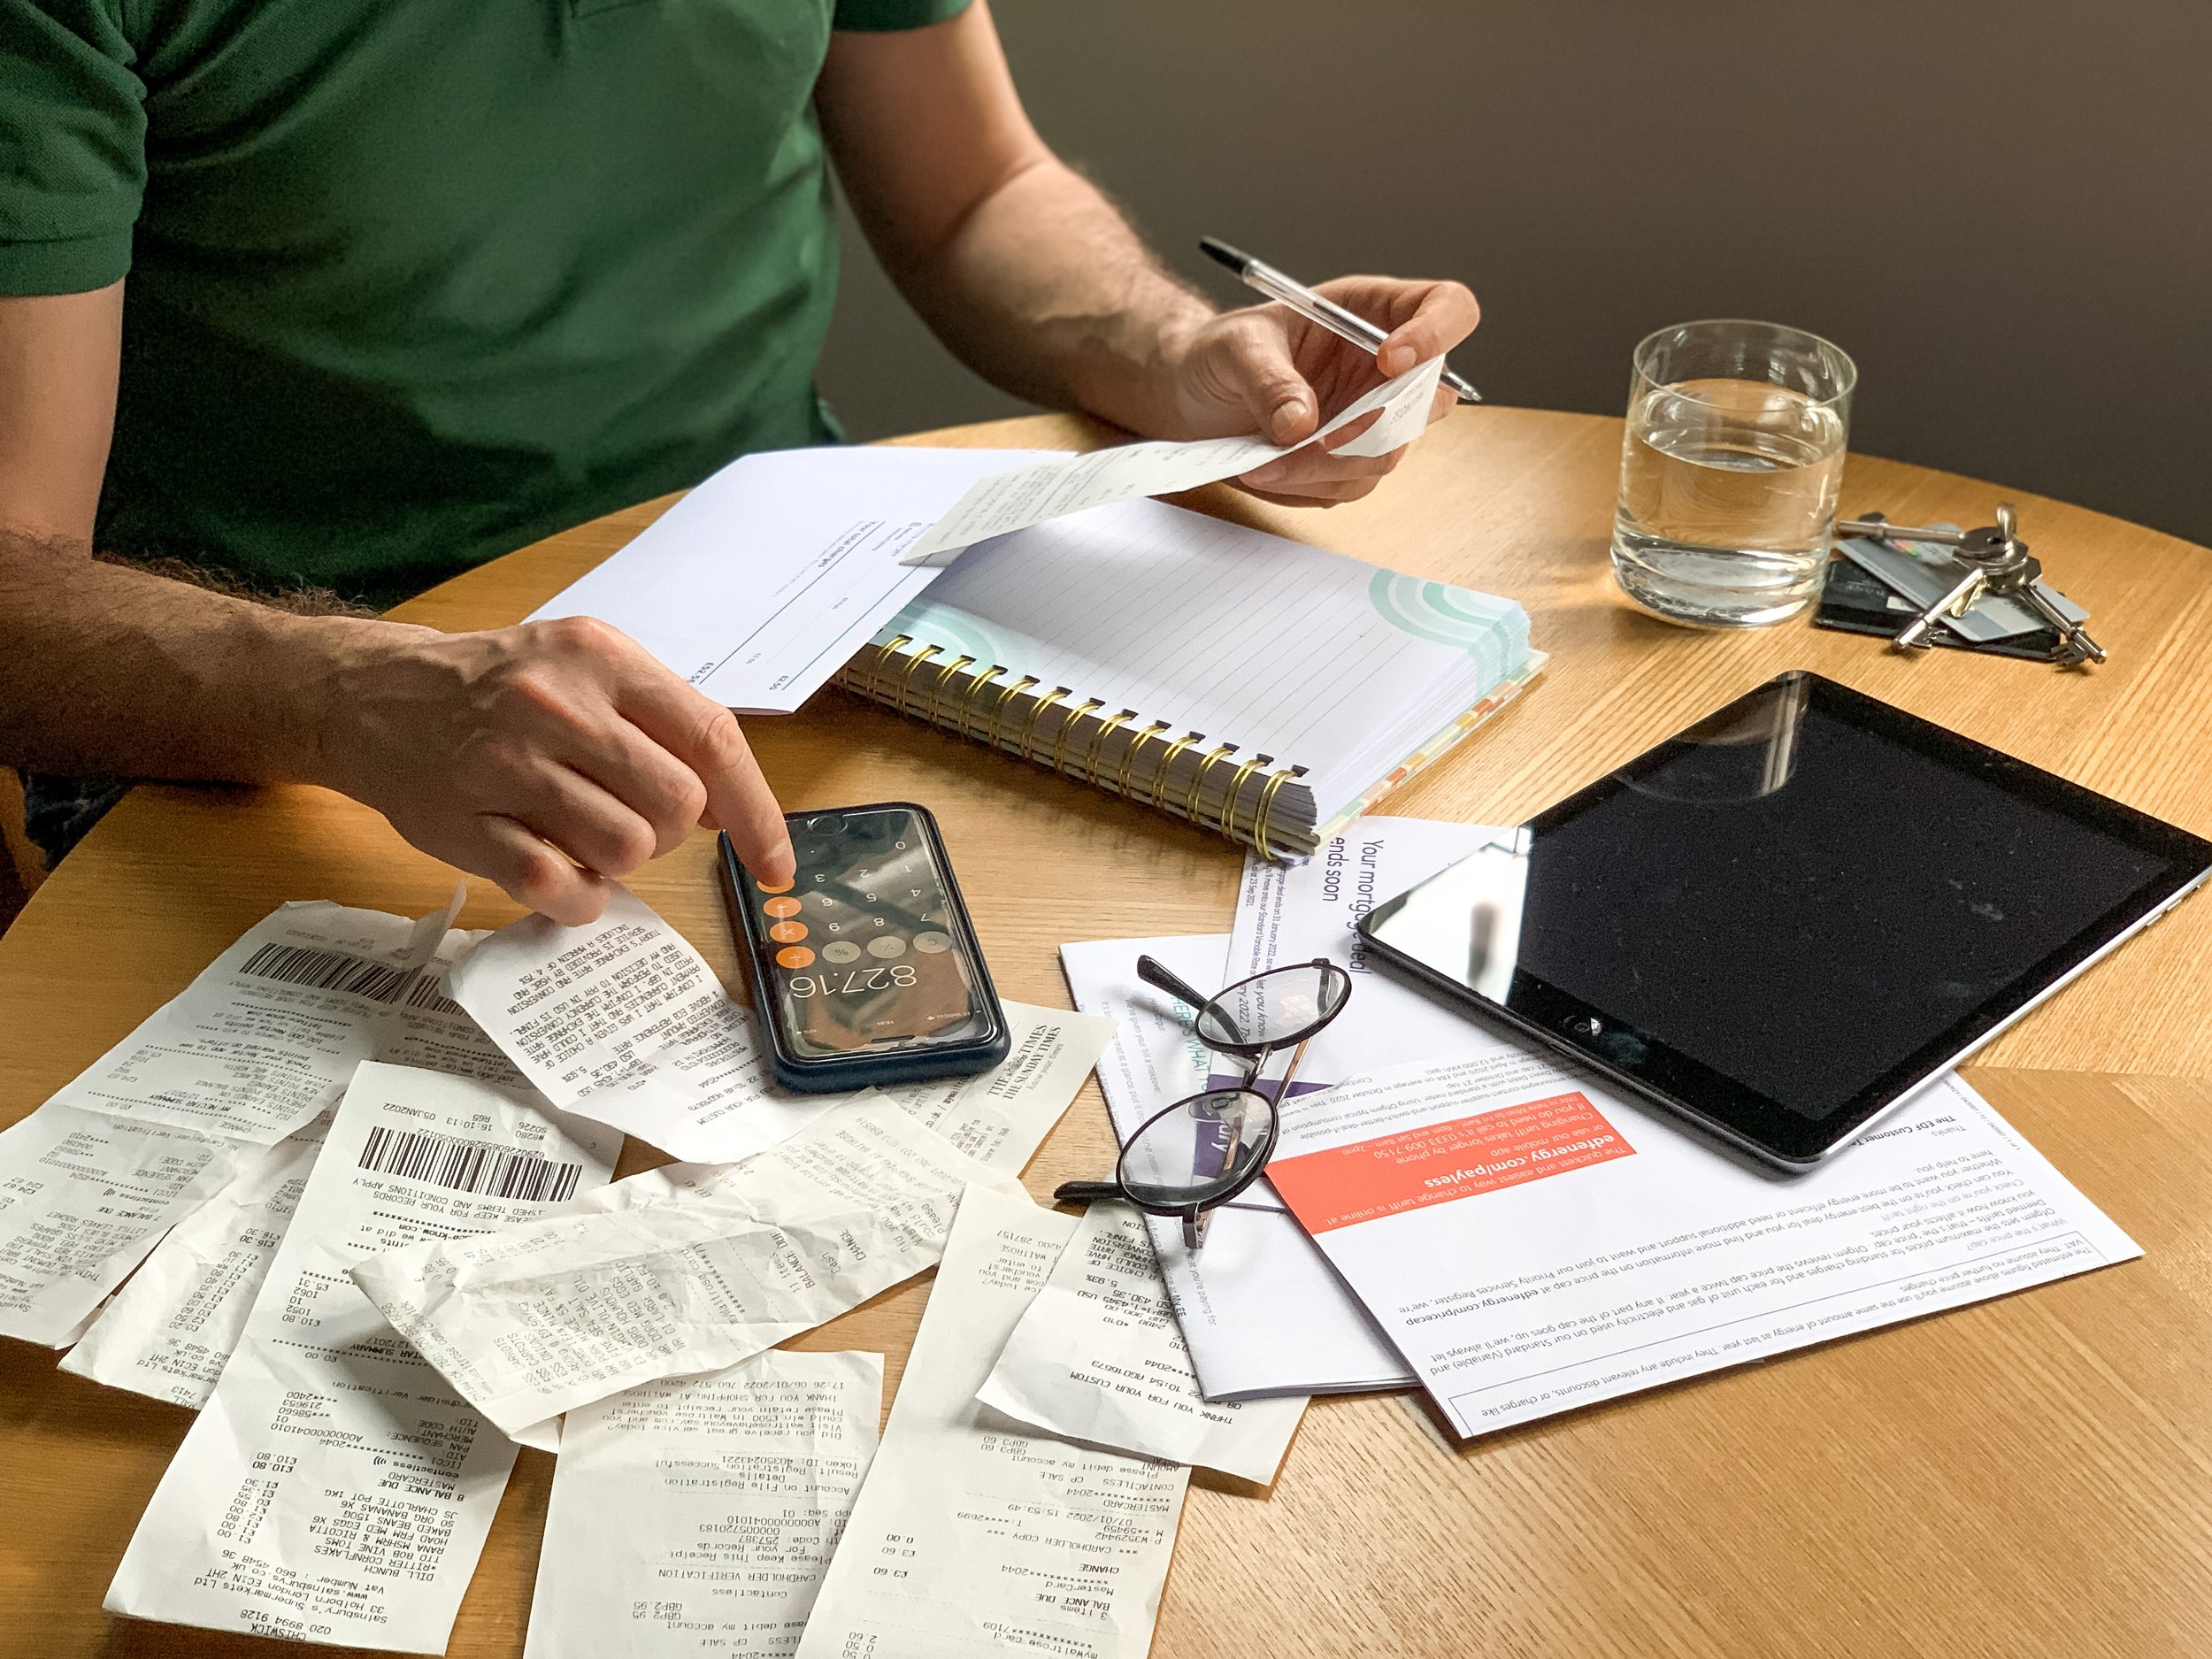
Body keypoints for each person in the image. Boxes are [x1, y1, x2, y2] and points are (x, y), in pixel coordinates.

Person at [0, 0, 1479, 924]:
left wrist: (1167, 354)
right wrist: (352, 692)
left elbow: (977, 192)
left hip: (822, 626)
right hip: (306, 732)